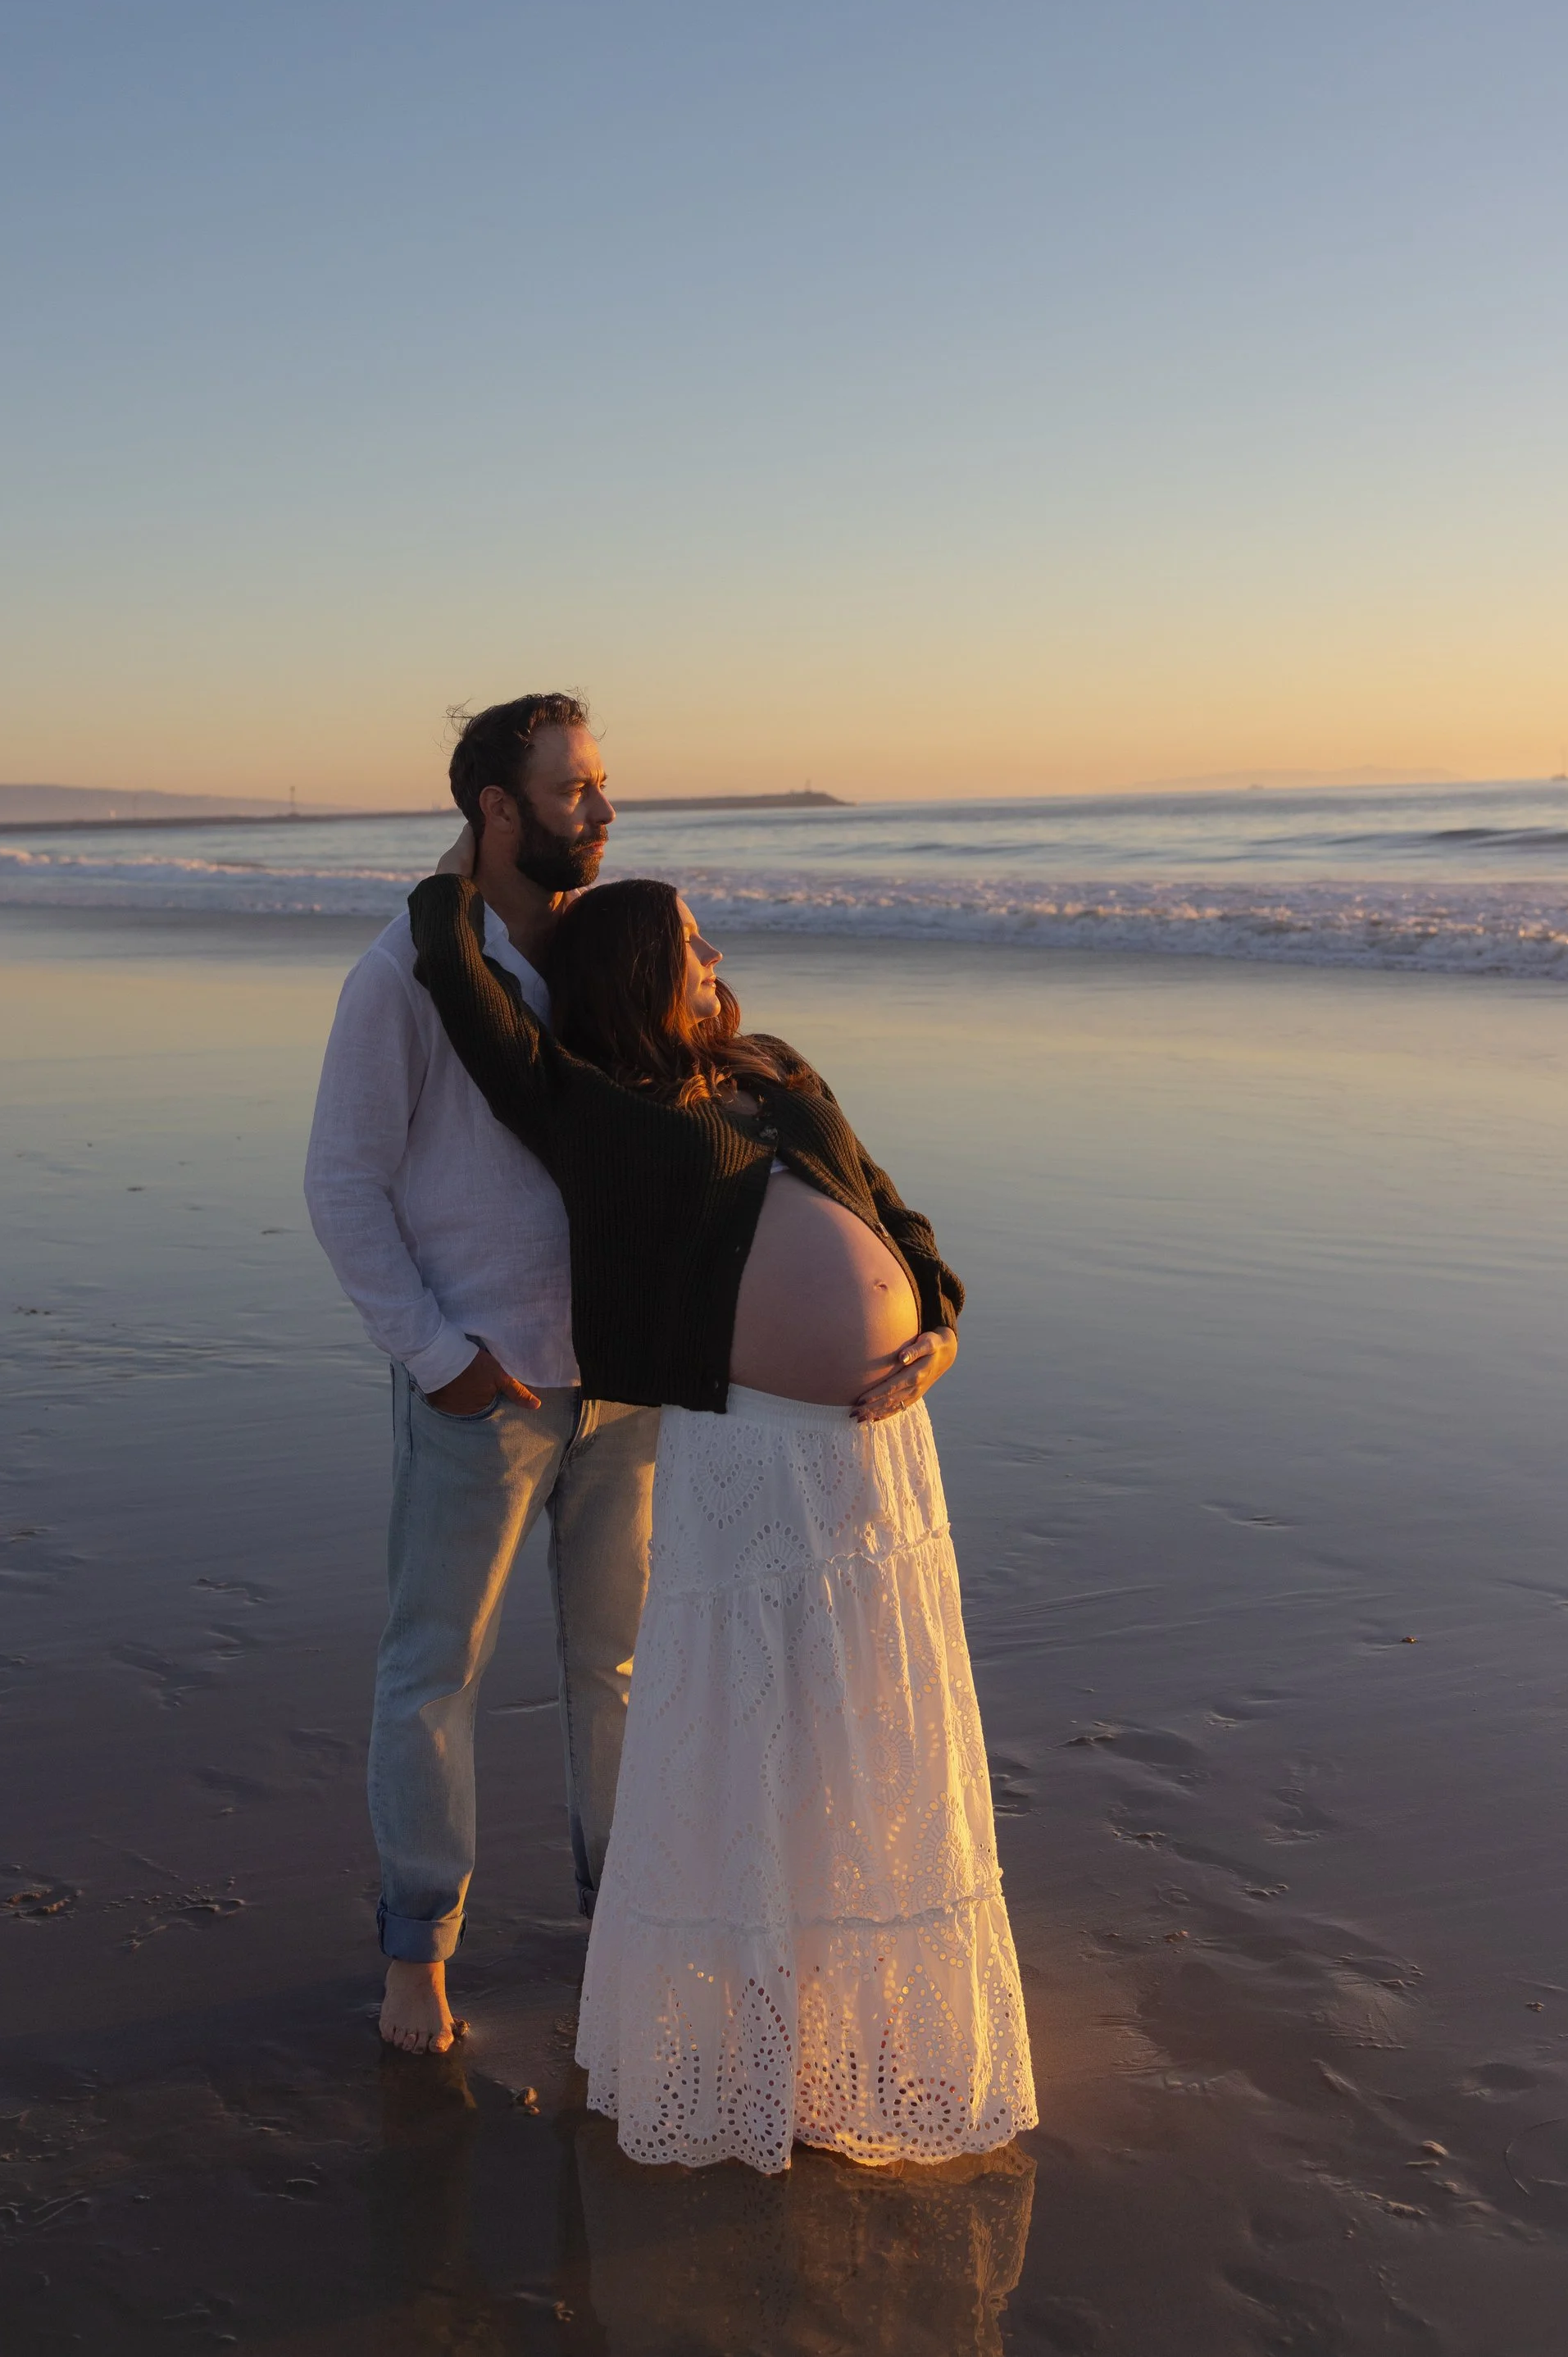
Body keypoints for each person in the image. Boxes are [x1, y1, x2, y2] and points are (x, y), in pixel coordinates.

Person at [407, 852, 1038, 2173]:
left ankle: (850, 2013)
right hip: (753, 1461)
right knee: (766, 1733)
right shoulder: (593, 1112)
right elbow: (466, 993)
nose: (712, 956)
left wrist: (944, 1327)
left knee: (865, 1723)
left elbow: (898, 1216)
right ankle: (755, 2023)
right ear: (638, 969)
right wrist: (471, 866)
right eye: (686, 940)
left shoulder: (777, 1073)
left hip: (880, 1462)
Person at [304, 694, 661, 2057]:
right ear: (494, 809)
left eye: (603, 783)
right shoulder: (400, 973)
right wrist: (442, 1359)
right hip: (484, 1386)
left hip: (623, 1384)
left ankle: (619, 1936)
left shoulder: (618, 957)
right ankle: (418, 1961)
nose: (603, 809)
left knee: (618, 1670)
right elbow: (344, 1186)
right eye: (575, 789)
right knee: (434, 1669)